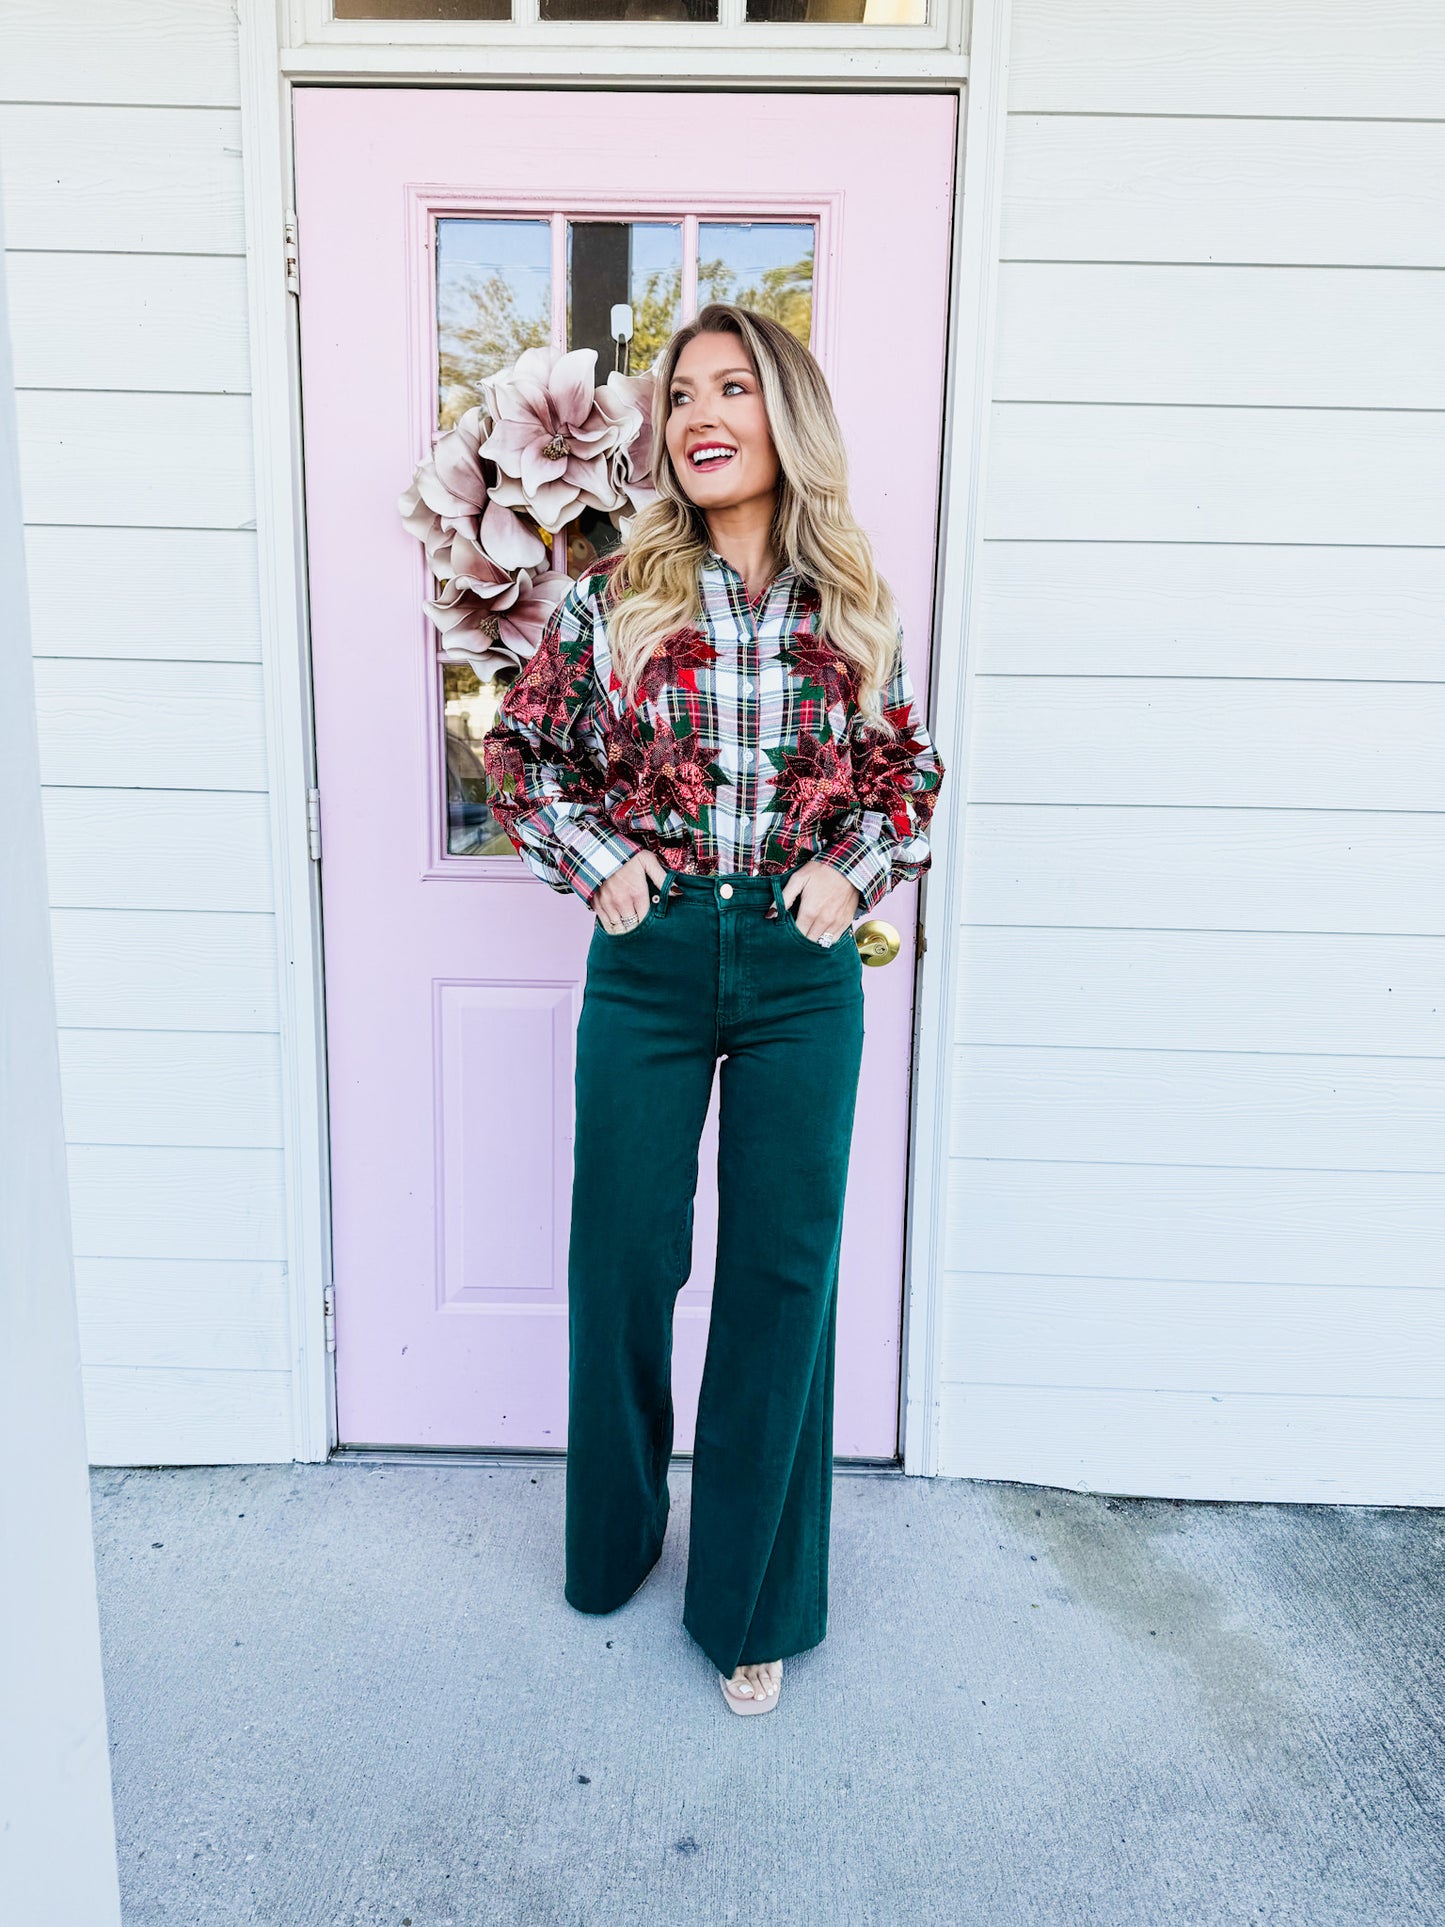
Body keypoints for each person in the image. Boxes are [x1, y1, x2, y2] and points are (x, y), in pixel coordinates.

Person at [481, 302, 945, 1715]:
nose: (698, 414)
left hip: (802, 974)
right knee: (624, 1260)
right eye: (680, 393)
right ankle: (614, 1544)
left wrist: (846, 871)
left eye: (731, 388)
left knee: (776, 1281)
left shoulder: (851, 601)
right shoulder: (610, 592)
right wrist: (602, 863)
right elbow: (519, 754)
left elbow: (907, 777)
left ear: (782, 416)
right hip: (655, 957)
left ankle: (749, 1593)